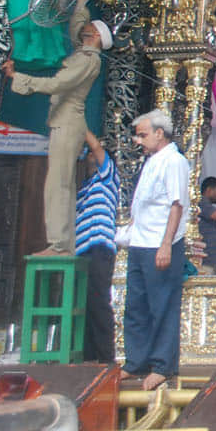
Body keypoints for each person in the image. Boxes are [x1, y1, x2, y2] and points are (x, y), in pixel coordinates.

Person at [2, 0, 112, 255]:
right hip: (65, 121)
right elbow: (78, 26)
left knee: (58, 184)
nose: (84, 28)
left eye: (90, 27)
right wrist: (81, 2)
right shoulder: (83, 53)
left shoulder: (88, 60)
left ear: (95, 36)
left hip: (68, 122)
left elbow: (56, 84)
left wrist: (17, 77)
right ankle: (62, 243)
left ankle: (59, 244)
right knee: (61, 182)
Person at [123, 108, 190, 391]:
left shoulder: (174, 161)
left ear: (160, 133)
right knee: (136, 305)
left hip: (162, 245)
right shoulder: (153, 161)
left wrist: (166, 244)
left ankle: (163, 365)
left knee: (162, 305)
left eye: (143, 135)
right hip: (140, 242)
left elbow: (177, 205)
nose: (139, 141)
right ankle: (136, 361)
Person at [75, 130, 120, 364]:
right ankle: (88, 358)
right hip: (82, 251)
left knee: (98, 301)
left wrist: (81, 126)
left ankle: (105, 359)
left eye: (92, 153)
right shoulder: (84, 187)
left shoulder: (108, 177)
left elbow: (98, 150)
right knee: (85, 305)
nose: (89, 156)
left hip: (99, 247)